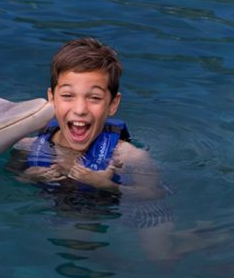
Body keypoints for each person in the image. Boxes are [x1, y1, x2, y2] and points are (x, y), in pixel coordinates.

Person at [10, 37, 165, 200]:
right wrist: (28, 177)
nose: (80, 109)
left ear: (112, 104)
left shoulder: (129, 158)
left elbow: (153, 195)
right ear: (52, 99)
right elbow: (12, 180)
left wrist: (108, 186)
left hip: (102, 212)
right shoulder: (25, 148)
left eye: (94, 98)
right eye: (68, 95)